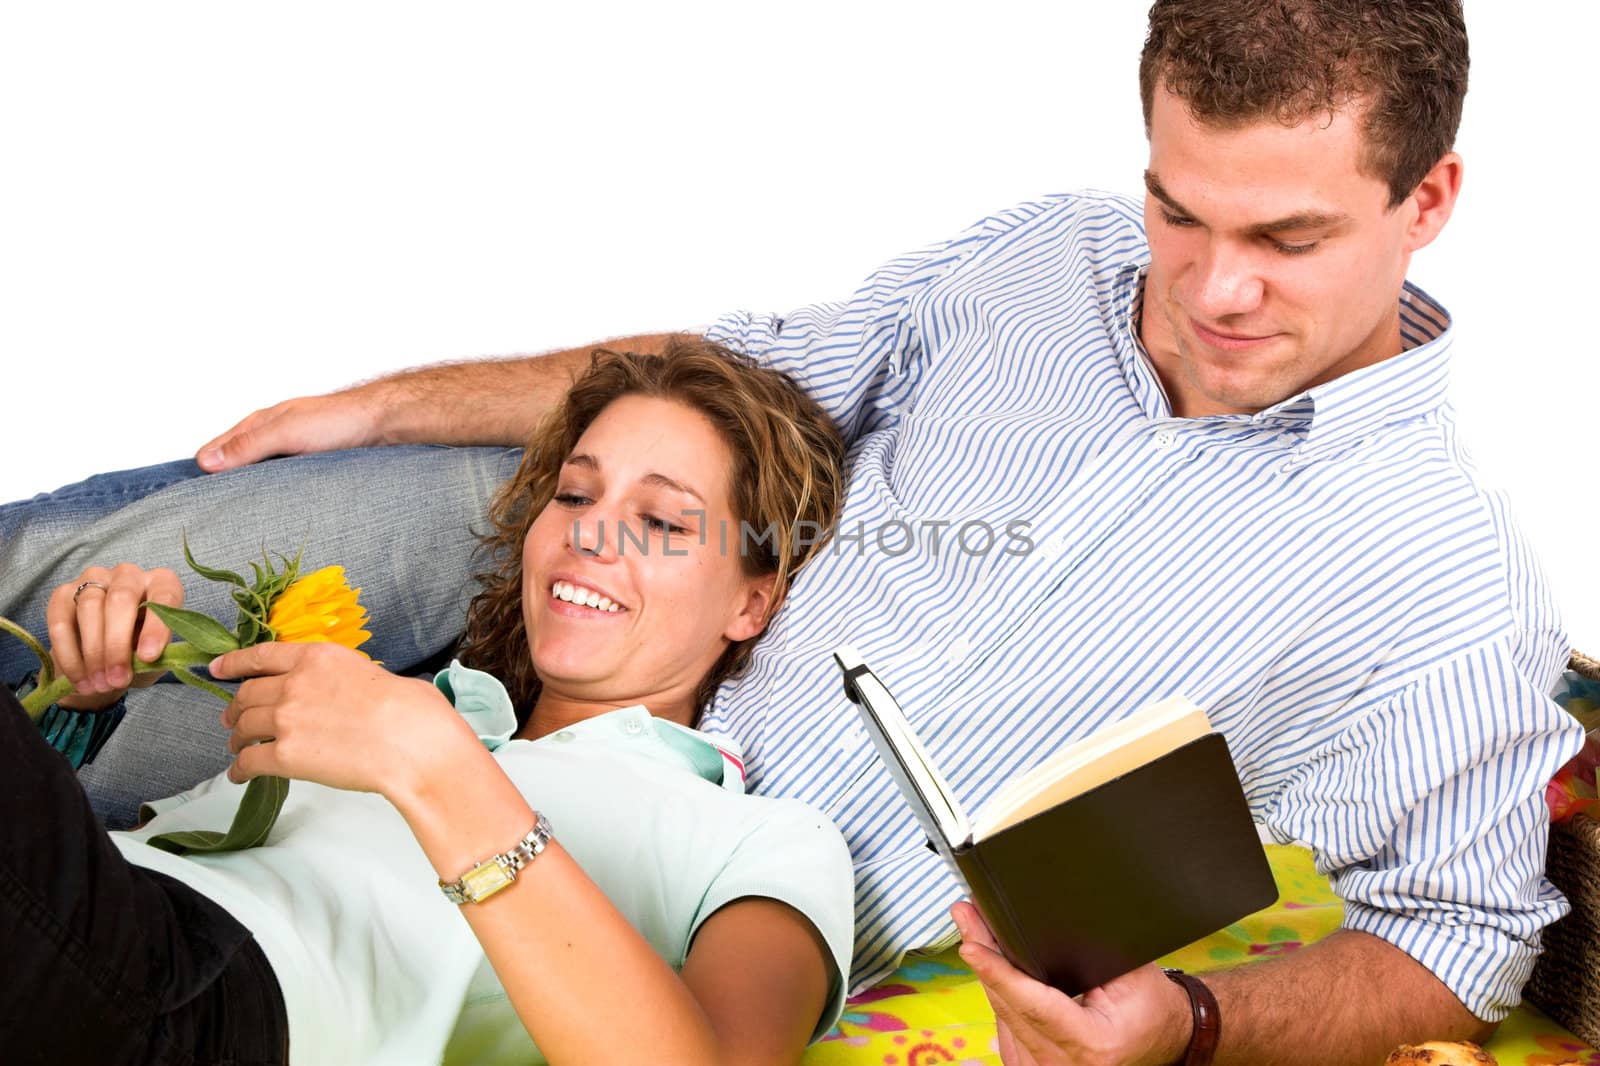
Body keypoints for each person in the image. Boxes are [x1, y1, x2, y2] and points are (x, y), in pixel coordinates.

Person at [0, 1, 1583, 1062]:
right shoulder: (1042, 257)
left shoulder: (1437, 583)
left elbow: (1458, 931)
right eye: (1182, 208)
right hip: (569, 670)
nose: (1213, 286)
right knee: (130, 590)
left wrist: (1185, 1022)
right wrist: (385, 399)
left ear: (1429, 198)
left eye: (1287, 238)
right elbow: (729, 381)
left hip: (664, 873)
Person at [1, 339, 854, 1064]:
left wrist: (438, 772)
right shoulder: (387, 706)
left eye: (664, 521)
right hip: (109, 906)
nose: (591, 533)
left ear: (754, 601)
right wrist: (92, 690)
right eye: (575, 494)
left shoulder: (767, 840)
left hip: (212, 1009)